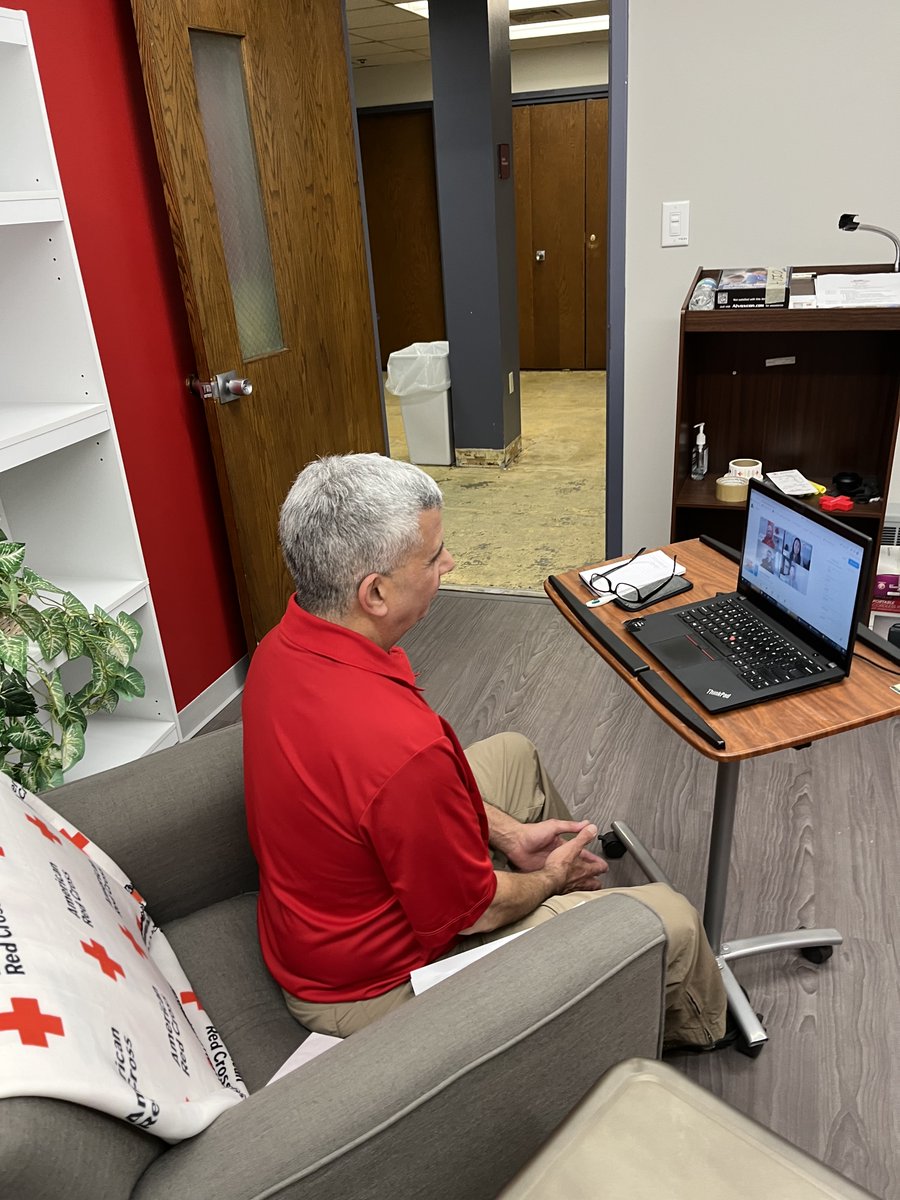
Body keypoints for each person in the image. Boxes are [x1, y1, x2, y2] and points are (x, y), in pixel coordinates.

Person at [242, 453, 728, 1051]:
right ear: (374, 593)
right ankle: (696, 1027)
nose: (449, 563)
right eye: (432, 555)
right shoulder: (398, 750)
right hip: (372, 987)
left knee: (513, 754)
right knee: (670, 919)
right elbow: (471, 912)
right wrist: (548, 878)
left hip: (325, 915)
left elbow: (387, 798)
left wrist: (505, 835)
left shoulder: (283, 644)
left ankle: (583, 941)